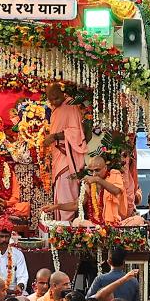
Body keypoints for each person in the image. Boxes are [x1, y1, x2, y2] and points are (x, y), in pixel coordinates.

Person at [46, 84, 86, 221]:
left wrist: (55, 136)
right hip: (58, 157)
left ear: (63, 94)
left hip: (67, 157)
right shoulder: (57, 108)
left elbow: (77, 133)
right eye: (50, 100)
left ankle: (66, 227)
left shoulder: (70, 106)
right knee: (60, 193)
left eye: (56, 98)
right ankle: (60, 227)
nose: (53, 102)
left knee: (66, 193)